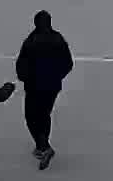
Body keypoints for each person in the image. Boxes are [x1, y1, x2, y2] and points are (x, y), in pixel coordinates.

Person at [15, 10, 74, 168]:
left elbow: (21, 63)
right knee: (43, 114)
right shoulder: (57, 39)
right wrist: (57, 76)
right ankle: (42, 145)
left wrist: (25, 76)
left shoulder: (31, 40)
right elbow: (68, 63)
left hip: (34, 85)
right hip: (52, 86)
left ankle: (43, 146)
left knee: (31, 116)